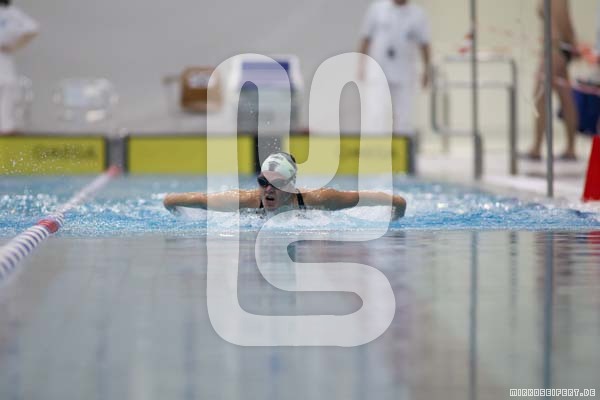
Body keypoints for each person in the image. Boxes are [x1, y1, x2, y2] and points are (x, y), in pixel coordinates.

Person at [163, 152, 407, 219]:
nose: (268, 190)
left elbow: (394, 200)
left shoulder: (320, 199)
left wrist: (395, 219)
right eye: (263, 182)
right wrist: (181, 217)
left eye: (277, 184)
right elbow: (171, 200)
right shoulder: (243, 200)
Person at [357, 0, 431, 136]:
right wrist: (361, 65)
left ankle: (401, 146)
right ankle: (374, 145)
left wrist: (427, 70)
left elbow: (424, 44)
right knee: (376, 112)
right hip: (378, 70)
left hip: (404, 71)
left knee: (404, 114)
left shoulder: (417, 15)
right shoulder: (377, 9)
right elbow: (366, 38)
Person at [526, 0, 578, 161]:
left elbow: (564, 20)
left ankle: (537, 147)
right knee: (566, 98)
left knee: (540, 95)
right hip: (556, 47)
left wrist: (570, 45)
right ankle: (570, 148)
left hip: (556, 48)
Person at [0, 0, 38, 135]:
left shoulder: (11, 13)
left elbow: (32, 29)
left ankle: (6, 127)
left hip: (3, 56)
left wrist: (15, 46)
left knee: (8, 87)